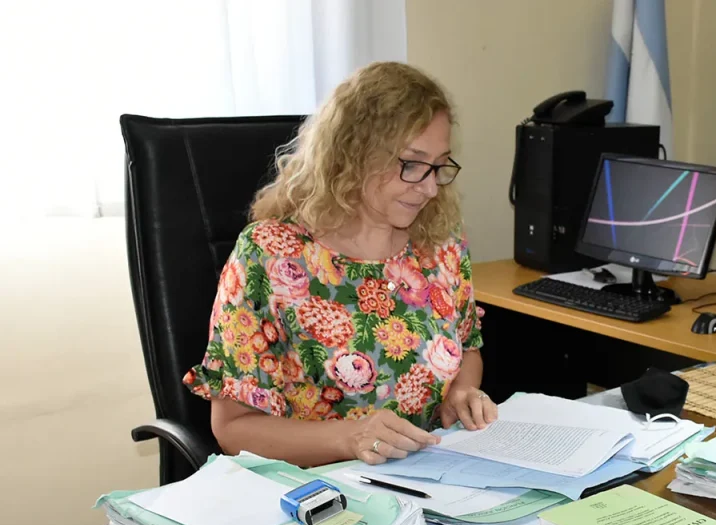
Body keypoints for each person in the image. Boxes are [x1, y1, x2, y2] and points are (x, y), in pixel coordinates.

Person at [183, 62, 497, 468]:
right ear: (354, 155)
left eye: (439, 166)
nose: (430, 187)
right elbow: (233, 429)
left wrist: (461, 391)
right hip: (317, 492)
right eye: (412, 164)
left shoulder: (441, 246)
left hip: (429, 478)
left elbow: (468, 347)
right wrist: (351, 438)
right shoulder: (270, 254)